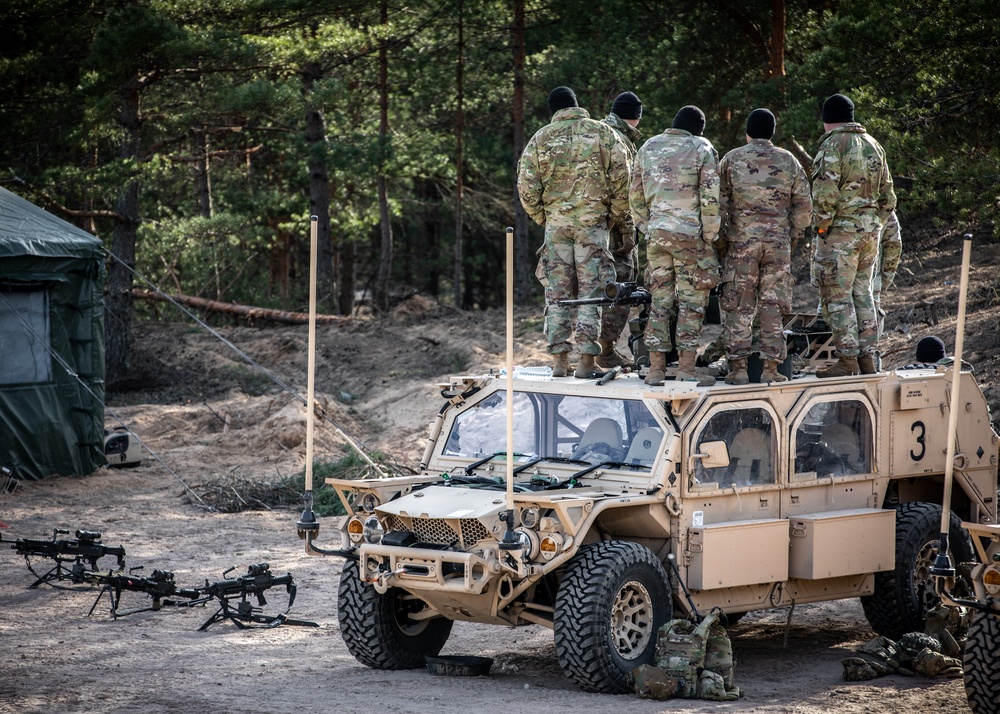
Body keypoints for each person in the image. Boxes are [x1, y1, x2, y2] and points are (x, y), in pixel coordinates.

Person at [517, 86, 631, 378]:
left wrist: (545, 218)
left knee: (557, 295)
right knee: (592, 295)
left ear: (553, 110)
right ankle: (585, 362)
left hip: (557, 228)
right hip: (593, 228)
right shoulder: (605, 134)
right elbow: (623, 180)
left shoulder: (540, 138)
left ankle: (559, 360)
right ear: (576, 105)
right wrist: (612, 217)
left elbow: (526, 187)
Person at [718, 108, 812, 385]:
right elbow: (804, 206)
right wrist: (792, 234)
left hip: (741, 244)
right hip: (777, 244)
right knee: (773, 305)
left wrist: (723, 238)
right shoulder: (788, 160)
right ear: (772, 132)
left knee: (740, 305)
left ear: (748, 132)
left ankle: (738, 370)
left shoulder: (732, 159)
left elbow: (718, 204)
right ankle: (771, 368)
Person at [630, 105, 721, 386]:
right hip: (690, 236)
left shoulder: (648, 146)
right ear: (698, 128)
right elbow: (710, 198)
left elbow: (635, 195)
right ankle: (686, 369)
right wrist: (709, 236)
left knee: (660, 301)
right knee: (691, 303)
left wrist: (648, 227)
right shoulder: (702, 148)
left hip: (657, 234)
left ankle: (656, 369)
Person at [810, 93, 897, 378]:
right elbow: (889, 197)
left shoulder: (832, 145)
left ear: (827, 120)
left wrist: (822, 229)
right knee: (863, 294)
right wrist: (874, 224)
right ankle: (867, 359)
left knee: (837, 296)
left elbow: (824, 194)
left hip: (840, 234)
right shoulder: (874, 144)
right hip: (869, 234)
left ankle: (847, 359)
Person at [597, 91, 643, 369]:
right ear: (636, 117)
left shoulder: (594, 132)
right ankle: (606, 350)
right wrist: (627, 234)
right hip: (614, 228)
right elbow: (624, 192)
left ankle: (585, 351)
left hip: (585, 224)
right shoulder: (620, 140)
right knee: (621, 285)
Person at [871, 210, 902, 356]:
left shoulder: (834, 193)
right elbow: (893, 246)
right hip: (870, 280)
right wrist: (884, 280)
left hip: (834, 280)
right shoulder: (882, 203)